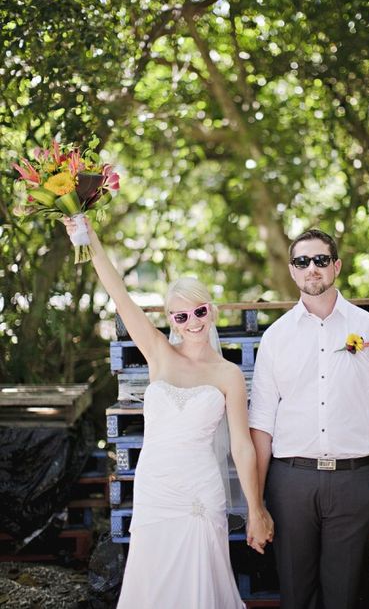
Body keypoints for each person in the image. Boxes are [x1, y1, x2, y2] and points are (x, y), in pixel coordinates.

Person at [63, 215, 273, 609]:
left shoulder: (229, 375)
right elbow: (119, 294)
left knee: (198, 584)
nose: (192, 322)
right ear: (170, 321)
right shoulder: (158, 352)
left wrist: (256, 509)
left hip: (199, 491)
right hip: (155, 487)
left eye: (199, 311)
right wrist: (87, 236)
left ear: (211, 310)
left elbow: (243, 449)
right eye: (180, 315)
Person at [249, 228, 369, 609]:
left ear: (336, 265)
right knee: (295, 595)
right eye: (302, 262)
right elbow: (262, 424)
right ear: (292, 271)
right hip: (291, 483)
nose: (312, 269)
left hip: (355, 482)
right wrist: (257, 501)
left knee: (345, 597)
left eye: (321, 260)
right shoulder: (275, 338)